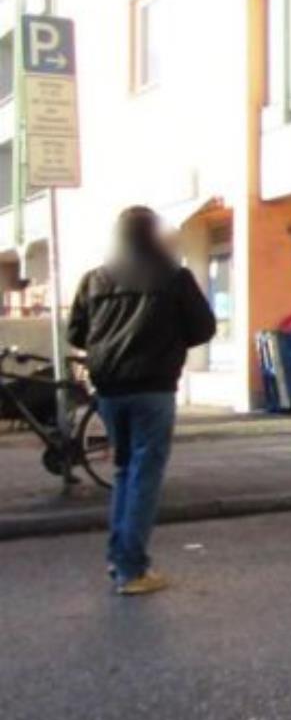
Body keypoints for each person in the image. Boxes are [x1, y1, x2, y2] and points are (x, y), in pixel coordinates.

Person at [67, 206, 216, 597]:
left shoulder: (95, 279)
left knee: (124, 471)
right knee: (145, 475)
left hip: (110, 391)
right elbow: (203, 328)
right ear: (152, 235)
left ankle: (119, 558)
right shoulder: (174, 277)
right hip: (154, 388)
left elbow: (76, 333)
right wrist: (168, 340)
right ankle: (131, 570)